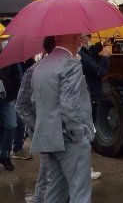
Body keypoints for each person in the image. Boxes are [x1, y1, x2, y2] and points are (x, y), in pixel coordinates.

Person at [29, 34, 94, 203]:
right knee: (80, 193)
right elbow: (69, 106)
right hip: (70, 139)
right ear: (73, 38)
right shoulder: (70, 64)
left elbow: (34, 102)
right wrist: (80, 135)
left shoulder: (40, 65)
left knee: (55, 192)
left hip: (48, 138)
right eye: (79, 36)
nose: (82, 40)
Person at [16, 36, 56, 203]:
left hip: (62, 132)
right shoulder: (33, 71)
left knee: (54, 174)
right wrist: (39, 126)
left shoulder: (70, 70)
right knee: (48, 172)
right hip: (44, 132)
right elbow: (21, 105)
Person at [79, 33, 112, 180]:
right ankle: (85, 169)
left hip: (88, 96)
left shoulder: (81, 51)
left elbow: (90, 53)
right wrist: (105, 57)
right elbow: (100, 71)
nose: (89, 38)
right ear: (80, 38)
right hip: (90, 97)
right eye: (87, 36)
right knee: (87, 133)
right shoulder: (81, 54)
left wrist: (102, 44)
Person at [0, 35, 21, 171]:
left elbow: (16, 75)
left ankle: (5, 155)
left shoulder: (8, 55)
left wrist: (16, 92)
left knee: (12, 125)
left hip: (8, 97)